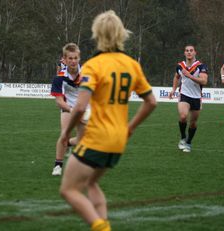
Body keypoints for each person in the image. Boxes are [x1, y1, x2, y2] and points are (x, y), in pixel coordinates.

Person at [58, 10, 157, 231]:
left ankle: (101, 227)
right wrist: (130, 128)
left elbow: (81, 106)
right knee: (91, 183)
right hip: (118, 140)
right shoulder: (132, 64)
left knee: (68, 190)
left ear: (97, 34)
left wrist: (66, 133)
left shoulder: (94, 65)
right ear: (121, 34)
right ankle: (104, 225)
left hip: (96, 138)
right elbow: (151, 102)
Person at [50, 43, 88, 176]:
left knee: (82, 141)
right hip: (68, 108)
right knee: (64, 135)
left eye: (75, 58)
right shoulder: (59, 78)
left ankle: (70, 145)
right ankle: (58, 165)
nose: (73, 61)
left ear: (79, 59)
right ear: (65, 60)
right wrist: (74, 111)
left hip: (84, 107)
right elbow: (59, 102)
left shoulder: (87, 73)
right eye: (70, 58)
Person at [168, 45, 208, 153]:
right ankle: (182, 138)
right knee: (183, 116)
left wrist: (189, 75)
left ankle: (189, 142)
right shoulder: (180, 66)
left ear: (195, 52)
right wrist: (173, 90)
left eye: (191, 50)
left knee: (193, 123)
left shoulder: (201, 66)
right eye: (187, 51)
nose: (189, 52)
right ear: (184, 53)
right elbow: (177, 77)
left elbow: (204, 81)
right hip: (184, 95)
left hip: (196, 97)